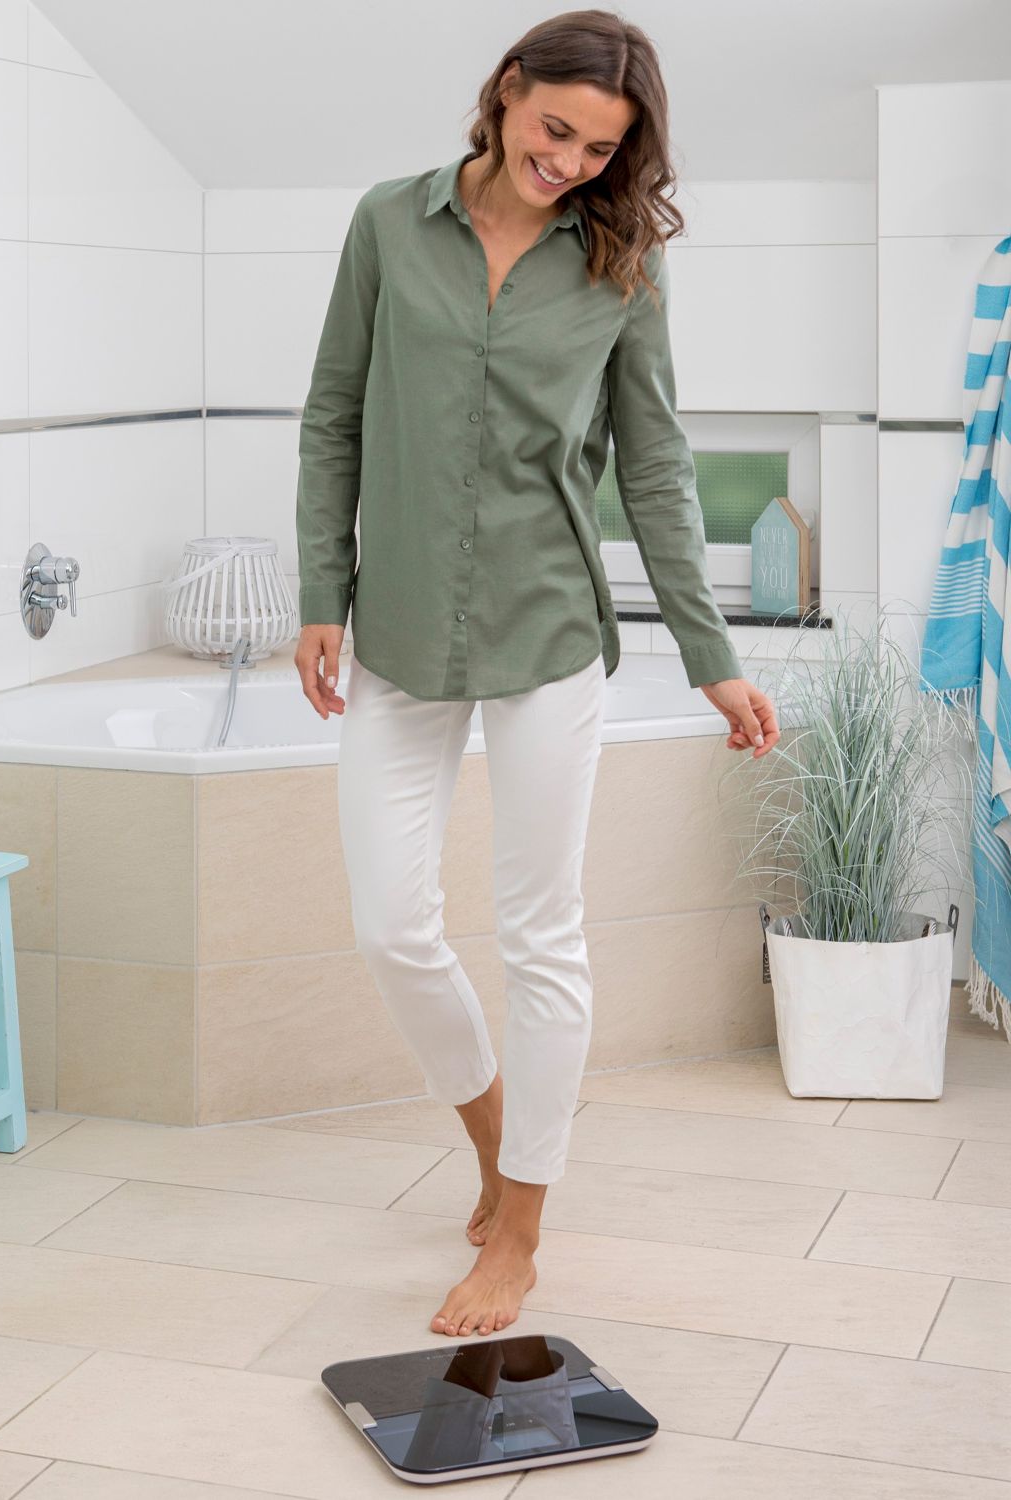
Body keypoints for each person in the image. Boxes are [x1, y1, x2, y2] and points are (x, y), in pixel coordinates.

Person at [293, 10, 780, 1343]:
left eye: (599, 149)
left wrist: (712, 659)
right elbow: (334, 413)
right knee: (392, 928)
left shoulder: (621, 264)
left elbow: (656, 465)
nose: (567, 161)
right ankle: (494, 1130)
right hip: (399, 627)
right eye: (554, 129)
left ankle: (520, 1225)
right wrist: (320, 593)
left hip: (549, 630)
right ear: (508, 91)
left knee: (539, 934)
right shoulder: (388, 224)